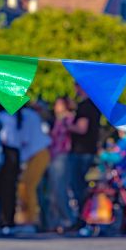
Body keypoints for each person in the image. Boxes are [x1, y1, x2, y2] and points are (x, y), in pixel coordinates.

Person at [15, 105, 51, 233]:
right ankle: (30, 218)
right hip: (37, 154)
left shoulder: (25, 115)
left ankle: (32, 220)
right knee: (26, 186)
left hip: (38, 153)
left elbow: (24, 139)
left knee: (28, 186)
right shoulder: (28, 114)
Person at [67, 84, 101, 213]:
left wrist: (67, 125)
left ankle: (83, 215)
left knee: (78, 186)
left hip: (81, 151)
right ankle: (84, 215)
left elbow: (82, 128)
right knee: (81, 185)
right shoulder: (95, 105)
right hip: (88, 150)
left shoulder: (85, 106)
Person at [47, 97, 76, 231]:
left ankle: (67, 219)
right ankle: (56, 221)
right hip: (53, 155)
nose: (56, 107)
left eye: (59, 104)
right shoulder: (58, 120)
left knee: (60, 189)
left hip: (62, 155)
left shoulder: (67, 118)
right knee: (53, 190)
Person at [0, 108, 22, 235]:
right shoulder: (18, 115)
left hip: (5, 152)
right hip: (15, 153)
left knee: (2, 188)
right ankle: (9, 219)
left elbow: (3, 136)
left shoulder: (2, 116)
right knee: (11, 188)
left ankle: (4, 219)